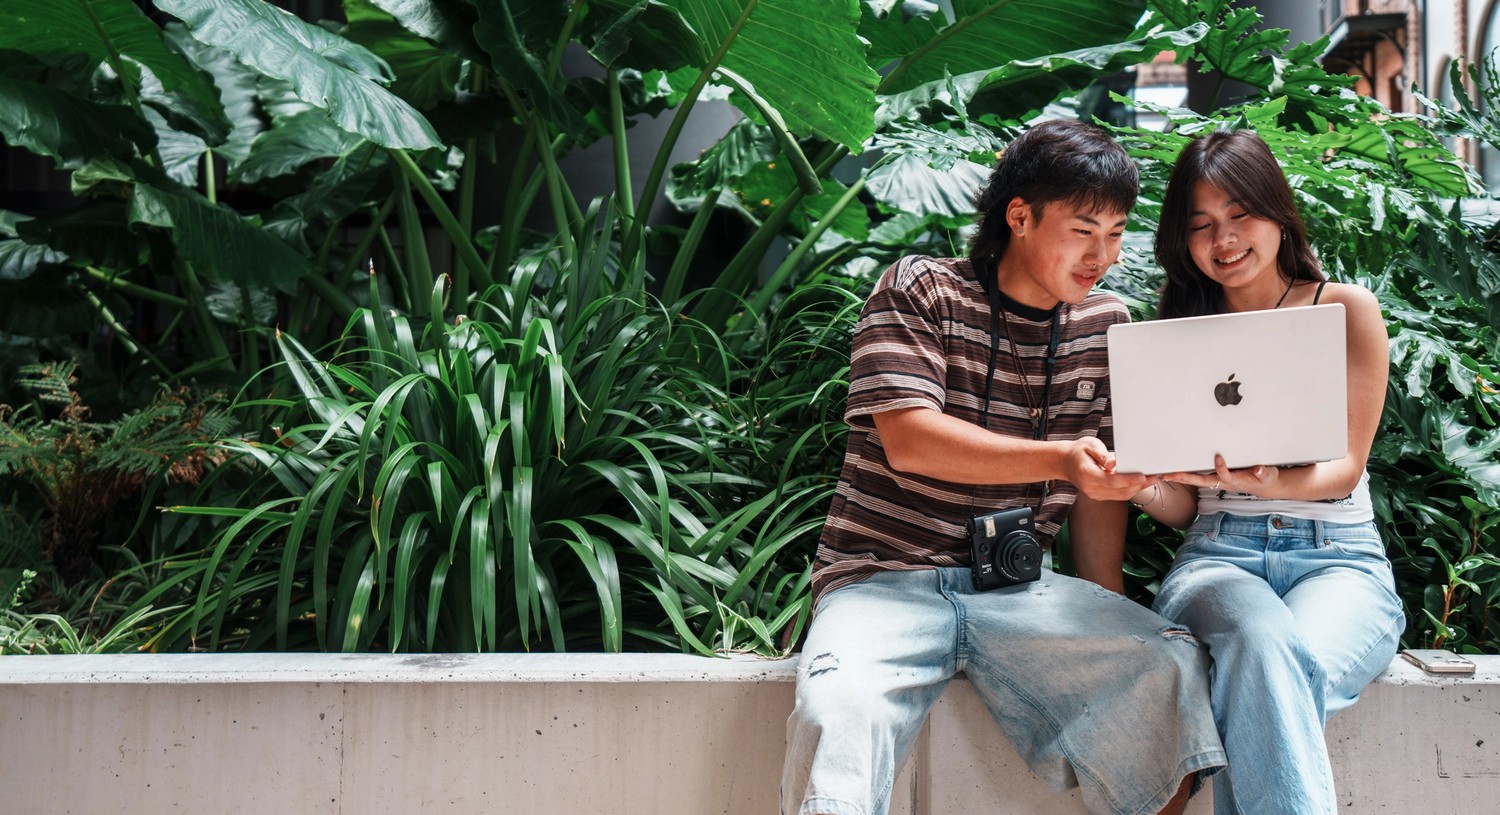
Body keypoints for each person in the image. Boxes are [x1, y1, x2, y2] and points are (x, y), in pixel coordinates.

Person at [780, 119, 1226, 815]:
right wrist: (1062, 460)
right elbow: (911, 439)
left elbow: (1096, 489)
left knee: (1167, 668)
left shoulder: (1108, 322)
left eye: (1115, 233)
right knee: (838, 715)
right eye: (1084, 230)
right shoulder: (921, 290)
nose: (1101, 255)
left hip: (1020, 592)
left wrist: (1108, 594)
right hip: (880, 582)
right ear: (1019, 215)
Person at [1130, 129, 1407, 815]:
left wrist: (1270, 483)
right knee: (1259, 639)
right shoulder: (1179, 329)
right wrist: (1137, 483)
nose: (1223, 240)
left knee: (1269, 675)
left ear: (1277, 212)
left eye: (1238, 215)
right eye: (1201, 227)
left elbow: (1343, 470)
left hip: (1339, 563)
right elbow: (1187, 506)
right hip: (1218, 559)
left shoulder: (1345, 310)